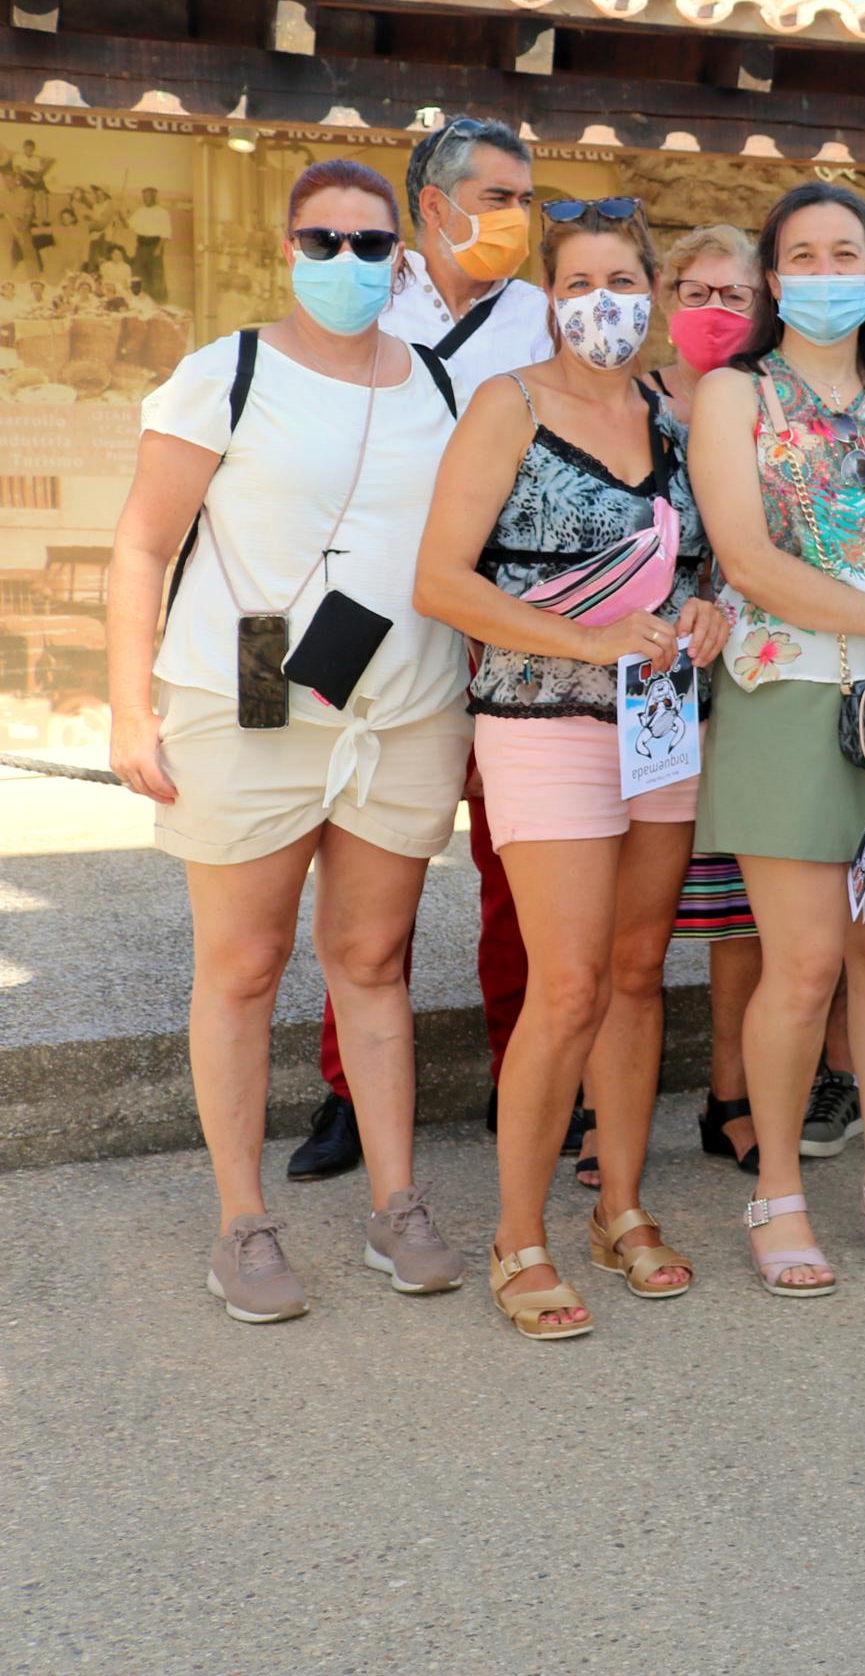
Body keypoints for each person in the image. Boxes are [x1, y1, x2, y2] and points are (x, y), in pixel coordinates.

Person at [105, 158, 471, 1323]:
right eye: (324, 241)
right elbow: (140, 547)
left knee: (371, 963)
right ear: (287, 248)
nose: (348, 264)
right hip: (247, 699)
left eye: (372, 245)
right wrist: (127, 706)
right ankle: (242, 1219)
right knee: (245, 965)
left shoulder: (444, 389)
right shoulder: (227, 374)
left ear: (402, 257)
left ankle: (398, 1200)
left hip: (402, 708)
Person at [414, 198, 723, 1336]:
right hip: (541, 722)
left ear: (653, 291)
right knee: (571, 981)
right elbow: (442, 579)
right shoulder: (509, 405)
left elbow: (714, 555)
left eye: (623, 280)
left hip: (660, 724)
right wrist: (588, 637)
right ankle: (520, 1233)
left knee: (641, 971)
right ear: (552, 294)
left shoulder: (677, 411)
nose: (604, 302)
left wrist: (715, 615)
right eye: (580, 281)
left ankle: (622, 1207)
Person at [689, 181, 865, 1297]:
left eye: (843, 250)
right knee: (802, 964)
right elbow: (747, 561)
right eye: (799, 253)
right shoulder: (732, 394)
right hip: (787, 696)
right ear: (771, 275)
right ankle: (780, 1194)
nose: (823, 270)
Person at [289, 115, 553, 1183]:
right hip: (367, 619)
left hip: (499, 618)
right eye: (498, 195)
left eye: (526, 197)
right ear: (434, 206)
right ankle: (349, 1087)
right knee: (359, 863)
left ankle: (525, 1075)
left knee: (518, 864)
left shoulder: (543, 314)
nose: (517, 218)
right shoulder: (359, 288)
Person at [646, 225, 770, 1174]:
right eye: (698, 292)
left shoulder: (773, 406)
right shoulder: (630, 404)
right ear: (663, 296)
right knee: (628, 912)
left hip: (746, 676)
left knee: (740, 911)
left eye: (735, 295)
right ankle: (607, 1108)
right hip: (635, 680)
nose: (715, 312)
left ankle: (729, 1090)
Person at [129, 185, 171, 300]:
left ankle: (158, 300)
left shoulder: (162, 212)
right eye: (144, 196)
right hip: (141, 246)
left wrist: (158, 249)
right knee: (138, 272)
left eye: (148, 196)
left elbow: (166, 234)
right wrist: (120, 215)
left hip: (155, 246)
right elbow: (129, 225)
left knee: (156, 275)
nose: (146, 198)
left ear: (154, 197)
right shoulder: (140, 211)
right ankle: (140, 298)